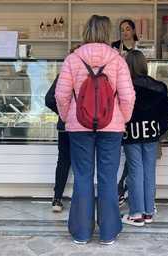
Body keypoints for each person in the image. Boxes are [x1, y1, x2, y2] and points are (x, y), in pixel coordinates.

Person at [55, 14, 135, 245]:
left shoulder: (73, 59)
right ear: (107, 33)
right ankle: (108, 233)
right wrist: (123, 119)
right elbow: (128, 96)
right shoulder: (117, 60)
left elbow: (61, 95)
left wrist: (67, 117)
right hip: (112, 128)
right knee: (108, 177)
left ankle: (81, 233)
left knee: (82, 176)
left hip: (79, 127)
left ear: (86, 32)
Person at [121, 50, 168, 226]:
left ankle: (136, 213)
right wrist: (159, 129)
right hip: (151, 133)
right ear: (144, 65)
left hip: (132, 133)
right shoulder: (158, 87)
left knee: (135, 171)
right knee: (149, 171)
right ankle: (148, 212)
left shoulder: (125, 87)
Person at [111, 18, 138, 205]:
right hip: (120, 97)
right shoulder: (113, 47)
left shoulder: (141, 46)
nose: (125, 32)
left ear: (133, 30)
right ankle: (122, 187)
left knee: (132, 150)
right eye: (122, 29)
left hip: (134, 97)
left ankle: (124, 187)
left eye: (128, 29)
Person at [45, 75, 71, 213]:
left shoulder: (64, 74)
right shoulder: (89, 73)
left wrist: (63, 113)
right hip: (84, 127)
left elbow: (49, 99)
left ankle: (57, 198)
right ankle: (82, 200)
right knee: (83, 164)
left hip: (65, 126)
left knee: (63, 162)